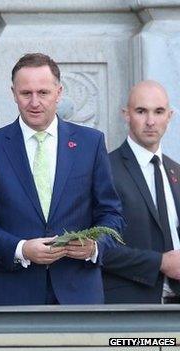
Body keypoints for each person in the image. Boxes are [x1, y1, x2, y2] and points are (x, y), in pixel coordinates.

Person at [0, 53, 124, 305]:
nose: (35, 102)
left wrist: (94, 247)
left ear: (59, 92)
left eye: (43, 92)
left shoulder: (90, 143)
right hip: (12, 293)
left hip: (78, 292)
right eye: (26, 93)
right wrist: (21, 249)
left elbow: (111, 214)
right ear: (13, 93)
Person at [103, 80, 180, 304]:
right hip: (132, 307)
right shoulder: (105, 169)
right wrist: (159, 263)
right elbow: (97, 249)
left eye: (158, 112)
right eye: (141, 111)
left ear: (170, 116)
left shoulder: (176, 171)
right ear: (126, 114)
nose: (150, 121)